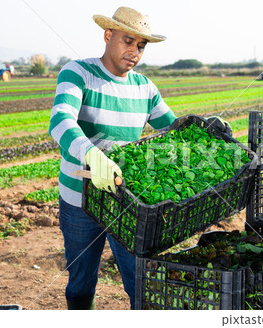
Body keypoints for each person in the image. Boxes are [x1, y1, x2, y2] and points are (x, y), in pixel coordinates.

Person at [49, 6, 230, 310]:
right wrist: (93, 155)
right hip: (80, 197)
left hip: (127, 201)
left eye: (141, 46)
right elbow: (61, 121)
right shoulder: (78, 72)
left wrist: (205, 128)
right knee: (80, 282)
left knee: (140, 281)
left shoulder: (145, 87)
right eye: (127, 41)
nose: (134, 51)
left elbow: (174, 130)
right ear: (108, 35)